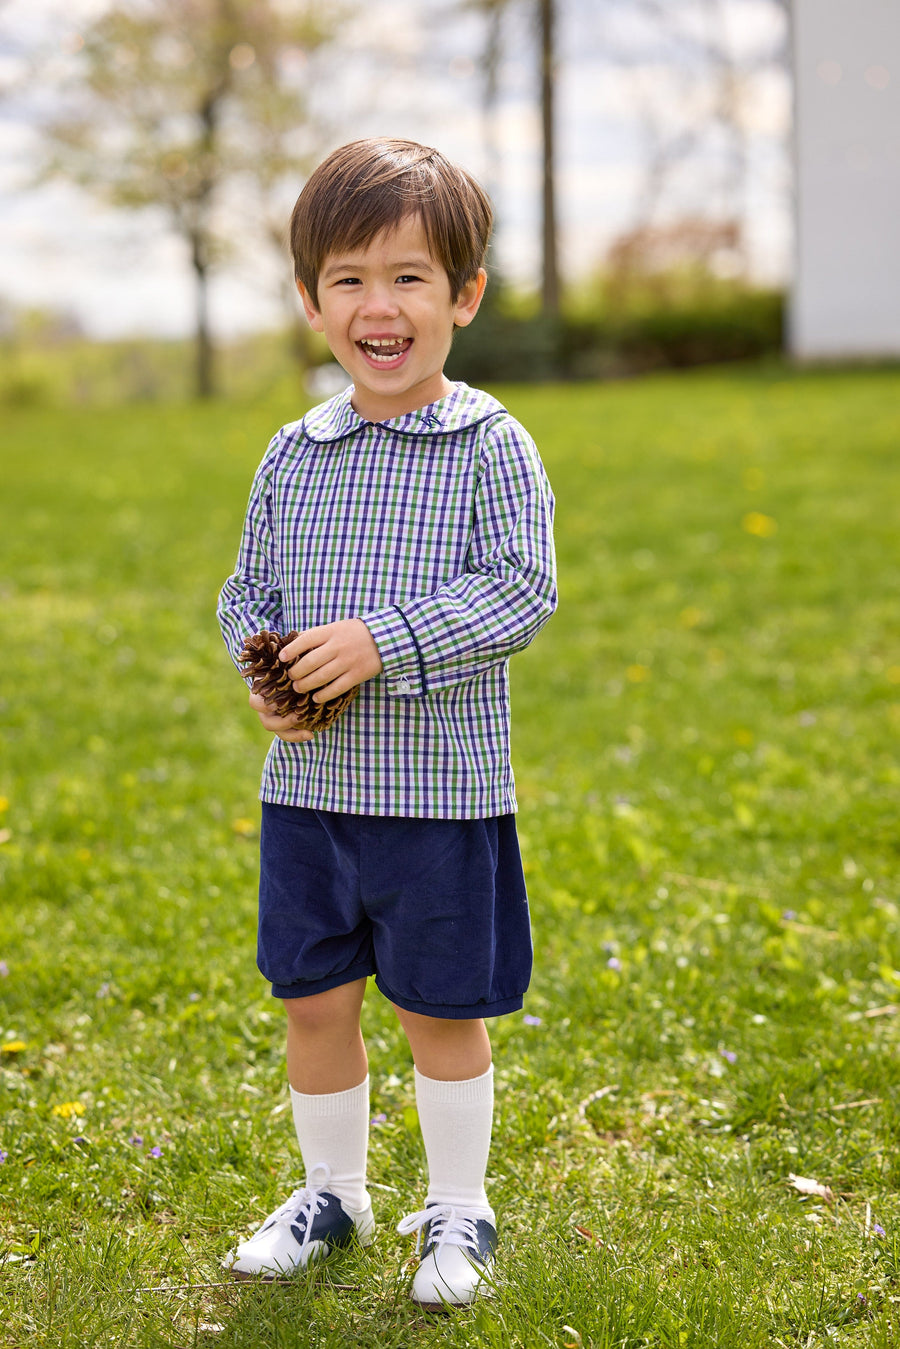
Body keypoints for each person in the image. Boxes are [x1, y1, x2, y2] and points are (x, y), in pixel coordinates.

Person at [216, 137, 556, 1312]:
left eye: (410, 276)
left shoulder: (490, 444)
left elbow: (520, 587)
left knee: (439, 1007)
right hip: (309, 795)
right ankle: (334, 1190)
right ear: (312, 300)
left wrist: (378, 642)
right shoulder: (294, 452)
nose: (380, 305)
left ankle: (459, 1204)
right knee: (314, 999)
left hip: (439, 796)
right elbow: (246, 588)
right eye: (350, 278)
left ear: (463, 295)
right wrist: (262, 665)